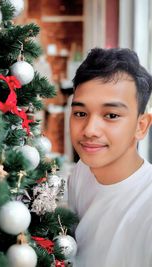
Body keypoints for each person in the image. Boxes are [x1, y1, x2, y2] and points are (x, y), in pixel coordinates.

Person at [68, 47, 152, 267]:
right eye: (80, 113)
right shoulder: (82, 171)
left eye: (112, 115)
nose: (90, 130)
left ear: (141, 126)